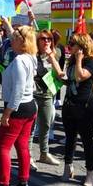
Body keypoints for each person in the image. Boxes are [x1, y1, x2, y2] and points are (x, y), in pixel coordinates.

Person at [0, 25, 38, 186]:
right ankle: (23, 184)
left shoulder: (20, 61)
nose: (11, 41)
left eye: (14, 38)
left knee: (3, 147)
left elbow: (18, 90)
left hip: (18, 107)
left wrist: (7, 113)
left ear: (21, 41)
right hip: (29, 106)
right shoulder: (30, 57)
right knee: (22, 145)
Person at [61, 33, 93, 186]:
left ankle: (90, 173)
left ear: (82, 46)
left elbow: (81, 76)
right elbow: (71, 80)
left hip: (85, 106)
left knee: (86, 139)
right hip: (70, 104)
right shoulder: (71, 60)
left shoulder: (92, 61)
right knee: (70, 137)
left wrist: (79, 60)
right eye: (69, 43)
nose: (70, 46)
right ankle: (68, 167)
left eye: (73, 43)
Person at [32, 29, 65, 166]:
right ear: (37, 41)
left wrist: (51, 57)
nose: (46, 41)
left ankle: (44, 153)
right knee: (31, 127)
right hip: (32, 95)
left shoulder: (54, 54)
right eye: (43, 39)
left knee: (46, 124)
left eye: (49, 39)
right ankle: (28, 155)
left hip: (47, 95)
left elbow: (60, 74)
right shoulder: (32, 54)